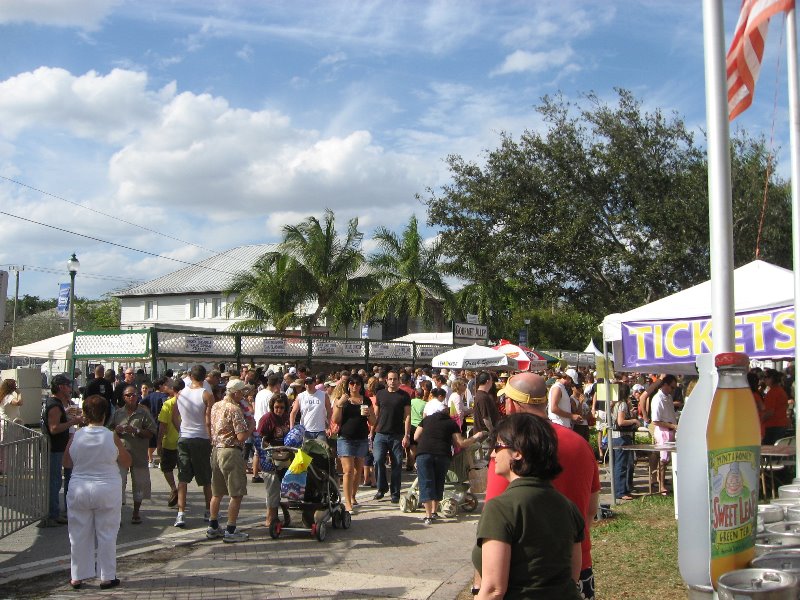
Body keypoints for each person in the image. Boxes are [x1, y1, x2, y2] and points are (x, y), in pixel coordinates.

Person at [481, 372, 600, 600]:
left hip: (522, 574)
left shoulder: (508, 449)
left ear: (513, 405)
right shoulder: (581, 444)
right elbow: (592, 509)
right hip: (575, 564)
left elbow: (494, 518)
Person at [473, 412, 584, 599]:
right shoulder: (567, 506)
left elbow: (493, 590)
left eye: (498, 446)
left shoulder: (501, 508)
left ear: (517, 452)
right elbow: (572, 577)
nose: (492, 453)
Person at [64, 394, 131, 590]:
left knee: (77, 533)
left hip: (79, 487)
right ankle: (107, 576)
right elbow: (126, 461)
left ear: (84, 414)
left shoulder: (76, 435)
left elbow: (66, 462)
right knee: (107, 533)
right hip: (107, 488)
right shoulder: (111, 436)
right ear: (106, 415)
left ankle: (77, 575)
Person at [414, 400, 485, 524]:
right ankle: (435, 512)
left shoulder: (426, 420)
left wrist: (426, 441)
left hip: (424, 453)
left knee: (426, 482)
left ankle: (428, 515)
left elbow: (415, 437)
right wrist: (476, 436)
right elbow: (461, 443)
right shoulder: (451, 423)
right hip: (442, 454)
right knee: (439, 481)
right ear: (445, 411)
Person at [206, 379, 254, 543]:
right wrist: (251, 427)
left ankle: (213, 525)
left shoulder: (216, 406)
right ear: (235, 393)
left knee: (217, 492)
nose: (243, 395)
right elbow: (241, 436)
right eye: (241, 392)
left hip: (216, 450)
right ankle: (231, 529)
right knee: (236, 492)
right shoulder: (234, 409)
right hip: (231, 451)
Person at [172, 365, 214, 528]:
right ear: (204, 378)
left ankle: (181, 513)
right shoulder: (207, 395)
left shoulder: (181, 394)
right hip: (202, 438)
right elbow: (209, 419)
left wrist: (181, 430)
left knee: (183, 478)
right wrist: (211, 438)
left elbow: (174, 416)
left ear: (190, 376)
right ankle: (209, 510)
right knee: (205, 478)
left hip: (185, 437)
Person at [40, 374, 83, 527]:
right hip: (56, 448)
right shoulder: (54, 405)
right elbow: (54, 428)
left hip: (60, 447)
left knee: (60, 480)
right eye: (67, 385)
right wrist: (74, 421)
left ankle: (57, 512)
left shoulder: (57, 403)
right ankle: (52, 514)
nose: (70, 388)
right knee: (55, 481)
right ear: (60, 387)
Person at [111, 384, 156, 524]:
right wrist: (116, 430)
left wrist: (136, 431)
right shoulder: (118, 413)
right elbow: (109, 429)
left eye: (134, 395)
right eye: (128, 395)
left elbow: (151, 432)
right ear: (123, 398)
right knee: (119, 484)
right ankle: (117, 514)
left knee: (139, 485)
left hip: (139, 453)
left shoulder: (144, 413)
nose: (132, 398)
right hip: (121, 453)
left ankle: (136, 512)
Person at [332, 374, 376, 512]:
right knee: (348, 471)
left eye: (357, 383)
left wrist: (369, 413)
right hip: (345, 438)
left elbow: (373, 422)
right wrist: (339, 404)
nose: (354, 386)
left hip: (361, 438)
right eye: (352, 383)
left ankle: (352, 496)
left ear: (361, 386)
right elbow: (335, 419)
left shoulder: (366, 400)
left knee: (358, 471)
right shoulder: (342, 400)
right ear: (348, 385)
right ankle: (348, 503)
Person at [373, 371, 412, 503]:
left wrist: (407, 435)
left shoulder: (404, 396)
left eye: (395, 379)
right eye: (390, 379)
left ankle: (395, 492)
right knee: (378, 460)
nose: (392, 381)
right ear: (386, 381)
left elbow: (407, 416)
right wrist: (371, 430)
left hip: (397, 434)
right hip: (381, 433)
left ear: (399, 381)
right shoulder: (380, 394)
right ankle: (381, 488)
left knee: (397, 463)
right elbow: (376, 415)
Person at [257, 392, 291, 527]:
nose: (279, 410)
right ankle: (270, 519)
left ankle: (281, 518)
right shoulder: (267, 419)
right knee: (273, 491)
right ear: (272, 406)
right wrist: (270, 449)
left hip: (284, 458)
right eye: (276, 407)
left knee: (286, 488)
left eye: (282, 407)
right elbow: (259, 439)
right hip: (269, 459)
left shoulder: (285, 418)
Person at [157, 378, 183, 507]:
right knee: (183, 470)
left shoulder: (168, 404)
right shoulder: (188, 403)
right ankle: (179, 490)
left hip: (170, 442)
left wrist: (159, 442)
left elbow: (162, 425)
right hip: (184, 441)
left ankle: (174, 488)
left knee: (166, 468)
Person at [651, 374, 678, 495]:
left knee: (666, 460)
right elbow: (655, 420)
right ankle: (661, 485)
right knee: (663, 459)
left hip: (671, 430)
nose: (673, 390)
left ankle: (662, 481)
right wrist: (672, 426)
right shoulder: (658, 398)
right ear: (665, 385)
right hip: (663, 432)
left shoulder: (669, 397)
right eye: (672, 387)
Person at [611, 384, 638, 501]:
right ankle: (621, 491)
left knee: (619, 464)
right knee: (622, 465)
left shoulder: (614, 404)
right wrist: (633, 420)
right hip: (622, 437)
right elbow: (621, 422)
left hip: (615, 437)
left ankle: (621, 489)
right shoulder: (622, 404)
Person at [289, 376, 331, 440]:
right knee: (305, 450)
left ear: (314, 383)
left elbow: (329, 411)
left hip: (320, 430)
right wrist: (291, 429)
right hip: (305, 431)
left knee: (321, 449)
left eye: (310, 383)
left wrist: (328, 426)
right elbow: (293, 413)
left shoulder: (323, 395)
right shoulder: (300, 396)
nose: (308, 385)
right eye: (306, 383)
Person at [763, 368, 790, 445]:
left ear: (771, 378)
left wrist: (759, 421)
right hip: (781, 424)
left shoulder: (772, 393)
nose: (764, 379)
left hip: (773, 426)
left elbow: (770, 412)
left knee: (770, 452)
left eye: (766, 377)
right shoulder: (781, 391)